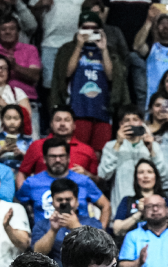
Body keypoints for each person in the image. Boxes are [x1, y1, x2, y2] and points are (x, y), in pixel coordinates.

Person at [51, 15, 125, 159]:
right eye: (86, 28)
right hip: (78, 109)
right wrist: (79, 46)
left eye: (94, 29)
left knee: (99, 154)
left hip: (102, 110)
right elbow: (66, 73)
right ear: (79, 30)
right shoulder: (68, 49)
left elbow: (112, 77)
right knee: (78, 151)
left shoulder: (109, 50)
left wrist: (103, 50)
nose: (90, 32)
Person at [17, 137, 110, 226]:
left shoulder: (83, 181)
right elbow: (17, 206)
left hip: (79, 237)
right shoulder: (31, 183)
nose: (58, 160)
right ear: (44, 159)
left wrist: (100, 235)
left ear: (68, 158)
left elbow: (106, 205)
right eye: (53, 156)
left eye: (61, 156)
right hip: (44, 238)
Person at [99, 109, 168, 210]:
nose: (131, 123)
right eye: (127, 120)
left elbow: (163, 175)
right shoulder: (111, 146)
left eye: (135, 119)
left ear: (142, 123)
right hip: (121, 206)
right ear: (120, 124)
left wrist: (151, 150)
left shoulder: (152, 145)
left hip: (150, 208)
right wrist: (118, 144)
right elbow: (103, 175)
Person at [31, 177, 106, 264]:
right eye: (59, 200)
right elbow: (37, 253)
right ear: (52, 202)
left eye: (68, 199)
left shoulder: (92, 223)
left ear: (77, 201)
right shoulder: (42, 225)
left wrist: (77, 227)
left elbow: (101, 251)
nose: (64, 203)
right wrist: (53, 230)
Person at [18, 108, 100, 185]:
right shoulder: (37, 146)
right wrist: (24, 195)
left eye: (67, 120)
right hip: (41, 196)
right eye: (58, 120)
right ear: (51, 124)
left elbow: (98, 183)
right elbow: (22, 173)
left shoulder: (87, 150)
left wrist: (87, 174)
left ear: (74, 125)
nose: (62, 124)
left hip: (77, 198)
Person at [0, 14, 43, 107]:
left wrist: (15, 67)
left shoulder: (30, 49)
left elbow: (35, 77)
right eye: (3, 29)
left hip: (27, 100)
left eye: (12, 29)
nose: (7, 32)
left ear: (18, 32)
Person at [112, 158, 168, 238]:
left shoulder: (166, 202)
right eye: (141, 172)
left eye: (149, 172)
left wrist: (152, 210)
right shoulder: (127, 201)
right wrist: (140, 213)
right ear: (136, 177)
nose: (145, 176)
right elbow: (116, 230)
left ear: (156, 176)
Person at [0, 105, 33, 172]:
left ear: (21, 120)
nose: (12, 122)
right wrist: (0, 152)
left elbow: (34, 163)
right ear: (2, 119)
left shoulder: (28, 141)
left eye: (16, 118)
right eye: (8, 118)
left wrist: (22, 155)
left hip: (21, 176)